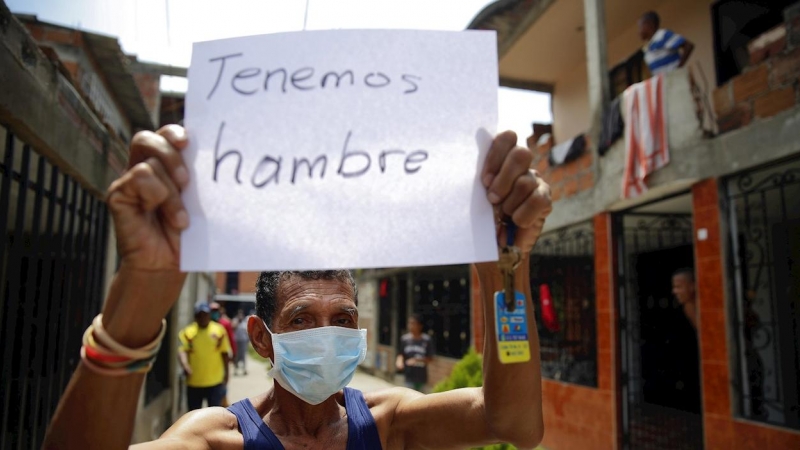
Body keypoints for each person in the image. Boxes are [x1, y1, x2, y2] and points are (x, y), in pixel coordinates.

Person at [43, 125, 551, 449]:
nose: (327, 335)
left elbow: (514, 425)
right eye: (303, 319)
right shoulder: (216, 438)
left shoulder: (389, 423)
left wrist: (506, 269)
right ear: (262, 338)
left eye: (344, 320)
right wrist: (136, 300)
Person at [178, 303, 233, 410]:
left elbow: (225, 353)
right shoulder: (188, 333)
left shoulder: (219, 330)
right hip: (194, 382)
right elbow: (182, 351)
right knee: (194, 415)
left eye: (205, 315)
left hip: (215, 382)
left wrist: (226, 375)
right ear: (195, 317)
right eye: (200, 315)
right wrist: (185, 365)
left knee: (214, 415)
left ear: (209, 315)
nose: (203, 318)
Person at [638, 11, 695, 76]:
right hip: (666, 83)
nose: (639, 32)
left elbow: (688, 46)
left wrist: (678, 69)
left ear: (649, 24)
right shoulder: (648, 47)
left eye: (640, 27)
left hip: (676, 79)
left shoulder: (662, 35)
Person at [395, 314, 434, 392]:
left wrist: (416, 360)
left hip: (421, 377)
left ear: (420, 326)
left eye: (413, 323)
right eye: (409, 323)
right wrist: (399, 361)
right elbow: (401, 354)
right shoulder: (405, 339)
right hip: (409, 376)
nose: (410, 326)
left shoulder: (426, 340)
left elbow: (430, 359)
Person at [233, 310, 250, 376]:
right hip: (237, 341)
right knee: (236, 356)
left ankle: (244, 370)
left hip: (243, 341)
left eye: (241, 315)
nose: (240, 316)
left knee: (243, 356)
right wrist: (237, 322)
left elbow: (247, 332)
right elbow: (233, 328)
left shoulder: (245, 322)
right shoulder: (235, 321)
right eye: (239, 314)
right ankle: (235, 370)